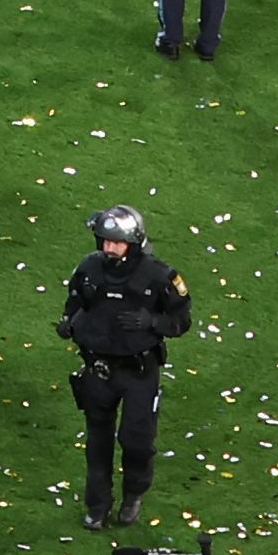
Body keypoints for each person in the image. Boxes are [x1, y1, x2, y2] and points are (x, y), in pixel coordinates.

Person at [58, 205, 196, 528]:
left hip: (139, 372)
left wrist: (153, 322)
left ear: (133, 243)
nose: (109, 248)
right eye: (105, 241)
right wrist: (68, 323)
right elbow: (75, 301)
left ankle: (133, 493)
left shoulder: (159, 276)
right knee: (97, 441)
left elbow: (182, 319)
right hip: (98, 368)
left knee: (137, 441)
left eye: (117, 242)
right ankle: (97, 506)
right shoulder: (89, 269)